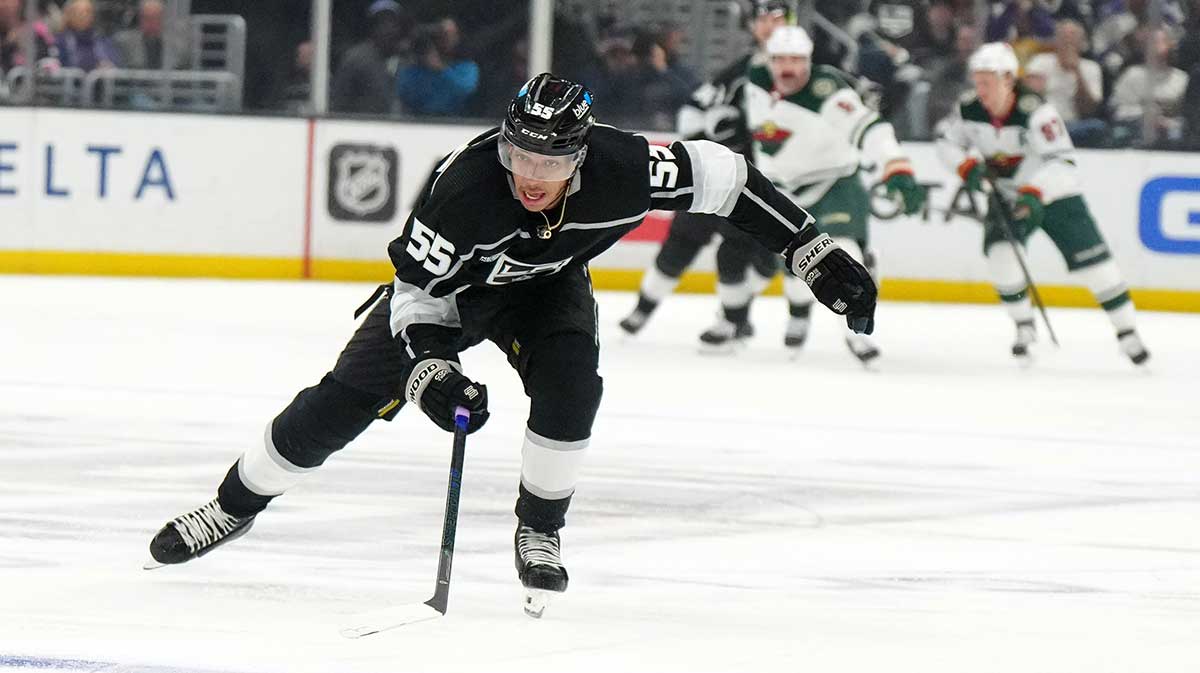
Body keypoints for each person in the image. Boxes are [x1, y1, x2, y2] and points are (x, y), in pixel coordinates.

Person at [145, 73, 878, 615]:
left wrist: (811, 251)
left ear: (582, 157)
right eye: (519, 157)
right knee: (338, 406)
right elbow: (417, 291)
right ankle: (232, 505)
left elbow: (727, 178)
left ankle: (540, 530)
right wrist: (432, 365)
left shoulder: (624, 169)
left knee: (572, 387)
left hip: (547, 286)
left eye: (550, 165)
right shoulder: (463, 188)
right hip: (450, 296)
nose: (531, 178)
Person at [935, 42, 1150, 365]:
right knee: (1001, 256)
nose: (980, 89)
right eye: (977, 81)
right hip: (1006, 195)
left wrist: (1035, 192)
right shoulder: (968, 109)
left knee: (1096, 266)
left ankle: (1127, 332)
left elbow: (1063, 163)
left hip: (1054, 195)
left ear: (1008, 78)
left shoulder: (1038, 113)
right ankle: (1023, 325)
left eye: (987, 81)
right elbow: (946, 143)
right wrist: (967, 167)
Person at [736, 25, 924, 364]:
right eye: (781, 59)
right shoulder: (756, 78)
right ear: (769, 59)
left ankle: (857, 333)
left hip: (833, 183)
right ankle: (796, 312)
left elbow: (870, 127)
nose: (788, 68)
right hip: (781, 188)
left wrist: (896, 166)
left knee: (842, 252)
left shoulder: (827, 90)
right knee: (788, 262)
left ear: (809, 60)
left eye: (797, 59)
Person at [617, 0, 792, 348]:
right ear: (750, 25)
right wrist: (705, 144)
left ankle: (735, 320)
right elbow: (694, 108)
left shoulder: (808, 75)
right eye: (763, 18)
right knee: (684, 238)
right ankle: (643, 311)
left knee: (750, 255)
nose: (771, 25)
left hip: (772, 182)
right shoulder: (742, 71)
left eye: (778, 17)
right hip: (722, 175)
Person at [329, 0, 411, 115]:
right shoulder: (356, 59)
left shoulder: (406, 61)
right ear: (372, 27)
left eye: (394, 23)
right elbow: (338, 103)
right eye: (382, 23)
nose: (390, 29)